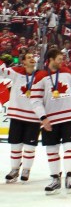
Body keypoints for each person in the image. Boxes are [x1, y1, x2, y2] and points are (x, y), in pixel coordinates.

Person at [29, 46, 71, 194]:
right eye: (59, 59)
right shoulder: (40, 76)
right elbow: (35, 100)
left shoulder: (67, 73)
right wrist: (43, 118)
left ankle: (70, 177)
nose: (62, 62)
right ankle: (55, 179)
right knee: (52, 150)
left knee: (69, 147)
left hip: (69, 117)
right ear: (50, 60)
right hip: (50, 120)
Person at [1, 51, 44, 182]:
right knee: (16, 145)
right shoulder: (16, 72)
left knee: (30, 146)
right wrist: (2, 61)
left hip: (33, 117)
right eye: (29, 57)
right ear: (23, 62)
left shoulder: (41, 76)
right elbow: (1, 71)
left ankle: (26, 169)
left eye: (33, 57)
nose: (32, 59)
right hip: (17, 115)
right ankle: (14, 169)